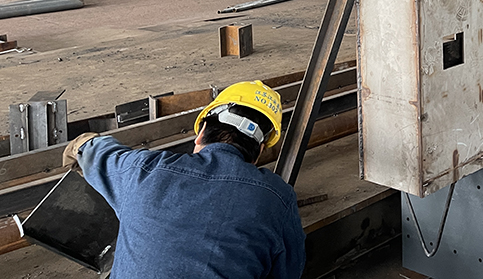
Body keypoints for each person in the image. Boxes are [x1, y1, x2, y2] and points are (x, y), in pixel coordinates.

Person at [63, 80, 307, 279]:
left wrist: (81, 146)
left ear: (201, 132)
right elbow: (288, 272)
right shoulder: (278, 199)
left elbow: (89, 148)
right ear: (259, 151)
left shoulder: (145, 170)